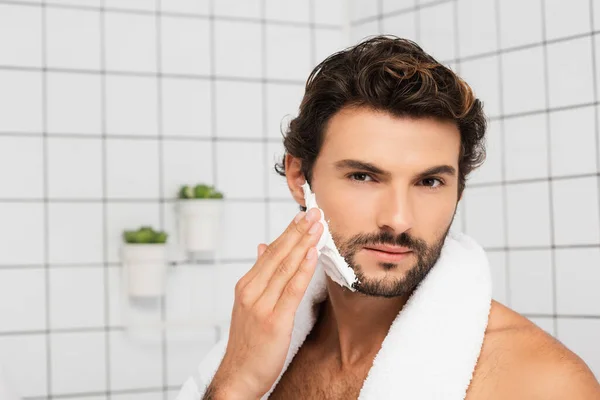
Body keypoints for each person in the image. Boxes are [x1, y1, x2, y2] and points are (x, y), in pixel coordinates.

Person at [179, 36, 600, 399]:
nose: (399, 220)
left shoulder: (542, 383)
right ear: (298, 176)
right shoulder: (255, 350)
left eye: (430, 182)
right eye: (363, 176)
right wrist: (233, 386)